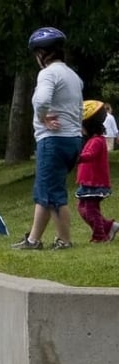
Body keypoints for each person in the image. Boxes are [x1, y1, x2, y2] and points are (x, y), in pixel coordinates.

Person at [15, 27, 84, 250]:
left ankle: (64, 240)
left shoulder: (48, 73)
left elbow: (41, 99)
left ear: (41, 54)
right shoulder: (73, 76)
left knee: (53, 194)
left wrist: (43, 116)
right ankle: (33, 240)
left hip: (53, 140)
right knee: (45, 191)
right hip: (72, 140)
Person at [79, 101, 114, 243]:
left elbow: (90, 156)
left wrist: (76, 157)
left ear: (88, 126)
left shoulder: (97, 141)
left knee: (91, 210)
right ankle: (109, 226)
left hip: (94, 182)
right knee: (82, 208)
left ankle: (100, 236)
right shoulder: (92, 140)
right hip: (87, 182)